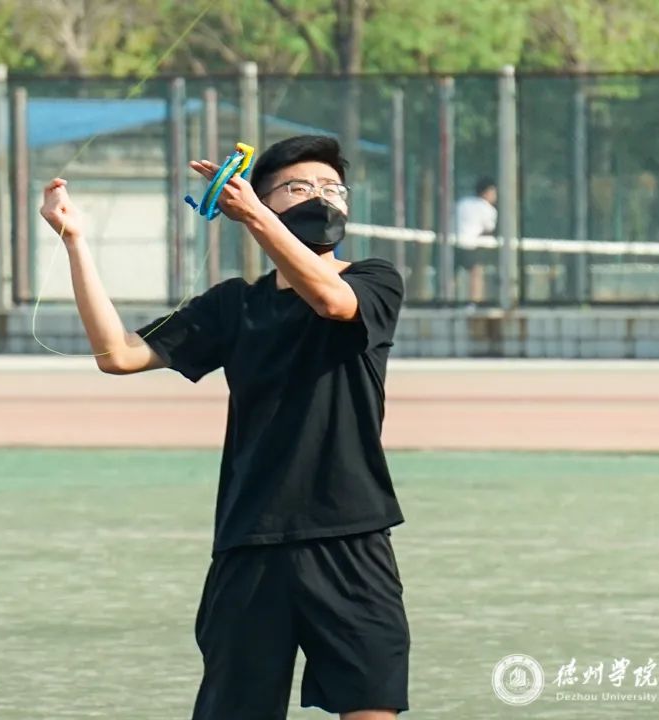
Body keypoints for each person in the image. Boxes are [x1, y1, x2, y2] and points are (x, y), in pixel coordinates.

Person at [39, 135, 410, 720]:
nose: (322, 197)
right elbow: (118, 354)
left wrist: (257, 217)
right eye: (299, 187)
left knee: (371, 706)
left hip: (352, 534)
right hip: (250, 541)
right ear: (260, 199)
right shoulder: (234, 304)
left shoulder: (374, 279)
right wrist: (74, 241)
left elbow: (334, 303)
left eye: (333, 188)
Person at [455, 177, 498, 303]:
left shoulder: (462, 202)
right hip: (472, 245)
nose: (495, 196)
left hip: (455, 243)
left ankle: (448, 300)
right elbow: (488, 229)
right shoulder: (488, 209)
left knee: (452, 274)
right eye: (493, 192)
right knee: (476, 273)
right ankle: (475, 303)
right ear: (486, 192)